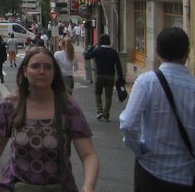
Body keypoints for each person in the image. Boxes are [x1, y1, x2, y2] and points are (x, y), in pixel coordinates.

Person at [0, 47, 99, 192]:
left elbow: (88, 154)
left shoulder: (68, 107)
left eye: (48, 67)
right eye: (35, 66)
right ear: (25, 71)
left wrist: (89, 185)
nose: (42, 71)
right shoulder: (10, 106)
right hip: (16, 187)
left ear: (54, 72)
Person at [119, 27, 195, 191]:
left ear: (157, 51)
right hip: (185, 176)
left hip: (150, 172)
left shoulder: (146, 82)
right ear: (187, 53)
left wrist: (139, 150)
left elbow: (128, 124)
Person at [84, 34, 124, 122]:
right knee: (108, 96)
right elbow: (118, 66)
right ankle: (106, 114)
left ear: (100, 41)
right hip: (110, 76)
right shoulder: (114, 52)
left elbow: (87, 56)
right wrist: (120, 77)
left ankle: (99, 111)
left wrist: (92, 47)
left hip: (99, 75)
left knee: (97, 93)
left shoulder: (97, 50)